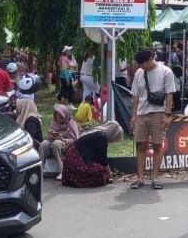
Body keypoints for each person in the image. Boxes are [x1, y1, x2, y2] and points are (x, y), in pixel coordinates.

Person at [129, 47, 175, 191]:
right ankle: (140, 178)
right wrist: (134, 115)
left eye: (143, 63)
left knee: (157, 145)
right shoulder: (139, 73)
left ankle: (155, 178)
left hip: (158, 113)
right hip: (141, 113)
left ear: (150, 59)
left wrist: (167, 115)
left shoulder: (166, 71)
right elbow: (136, 95)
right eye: (139, 64)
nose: (141, 66)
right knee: (141, 145)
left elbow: (169, 95)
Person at [61, 121, 124, 188]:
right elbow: (103, 159)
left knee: (101, 170)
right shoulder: (101, 137)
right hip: (76, 157)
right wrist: (110, 173)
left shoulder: (97, 132)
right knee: (100, 171)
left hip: (74, 155)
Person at [39, 105, 79, 182]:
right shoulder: (54, 122)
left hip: (66, 145)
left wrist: (63, 139)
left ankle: (62, 171)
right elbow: (49, 136)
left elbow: (75, 140)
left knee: (56, 144)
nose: (58, 118)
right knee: (44, 143)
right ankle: (40, 169)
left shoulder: (71, 123)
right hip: (52, 142)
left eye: (61, 117)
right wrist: (49, 136)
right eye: (57, 116)